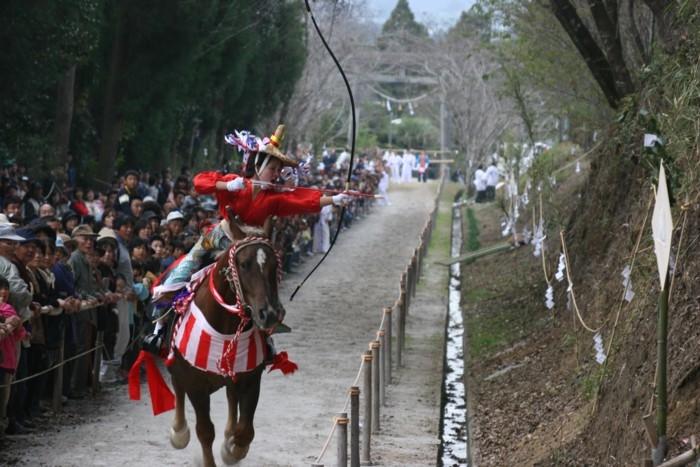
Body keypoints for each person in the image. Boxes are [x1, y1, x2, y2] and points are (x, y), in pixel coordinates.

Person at [153, 124, 350, 299]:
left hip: (251, 245)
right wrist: (226, 186)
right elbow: (199, 182)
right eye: (272, 169)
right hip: (219, 235)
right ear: (258, 165)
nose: (275, 175)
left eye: (277, 171)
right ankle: (160, 322)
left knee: (266, 284)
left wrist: (333, 199)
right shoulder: (234, 182)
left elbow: (301, 201)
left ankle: (267, 326)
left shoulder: (273, 198)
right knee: (189, 262)